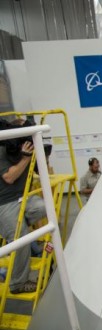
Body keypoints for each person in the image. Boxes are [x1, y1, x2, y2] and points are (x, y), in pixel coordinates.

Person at [0, 118, 46, 294]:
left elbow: (40, 170)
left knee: (43, 207)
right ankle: (17, 284)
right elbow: (9, 178)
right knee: (20, 240)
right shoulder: (2, 151)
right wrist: (26, 157)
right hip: (4, 202)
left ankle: (16, 230)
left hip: (21, 198)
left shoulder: (23, 148)